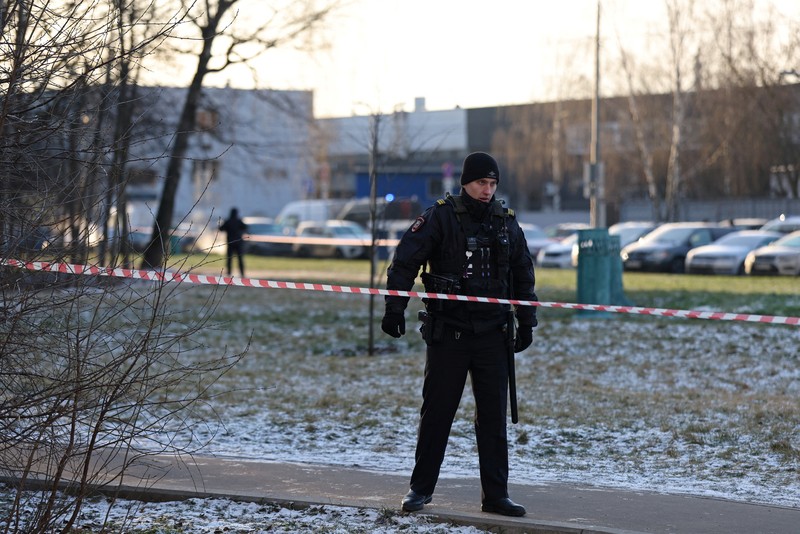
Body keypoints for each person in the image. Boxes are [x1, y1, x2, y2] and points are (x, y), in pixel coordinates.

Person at [381, 152, 538, 517]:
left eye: (493, 184)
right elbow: (405, 262)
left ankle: (495, 495)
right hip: (449, 332)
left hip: (493, 334)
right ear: (465, 182)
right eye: (481, 183)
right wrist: (394, 309)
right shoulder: (440, 216)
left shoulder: (505, 223)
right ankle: (419, 489)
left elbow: (523, 274)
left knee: (493, 418)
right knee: (437, 413)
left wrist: (527, 320)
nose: (487, 190)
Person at [219, 207, 248, 277]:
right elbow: (245, 227)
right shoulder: (239, 221)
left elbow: (221, 229)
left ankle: (229, 273)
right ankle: (242, 273)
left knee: (229, 259)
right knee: (240, 259)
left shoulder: (228, 221)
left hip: (230, 243)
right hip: (238, 243)